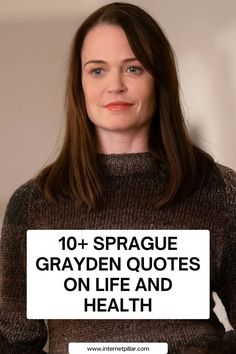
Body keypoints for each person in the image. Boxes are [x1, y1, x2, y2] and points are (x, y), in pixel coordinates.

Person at [0, 2, 235, 354]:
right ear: (78, 85)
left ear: (160, 79)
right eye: (97, 71)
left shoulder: (219, 191)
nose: (116, 86)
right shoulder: (34, 203)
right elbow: (14, 342)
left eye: (134, 68)